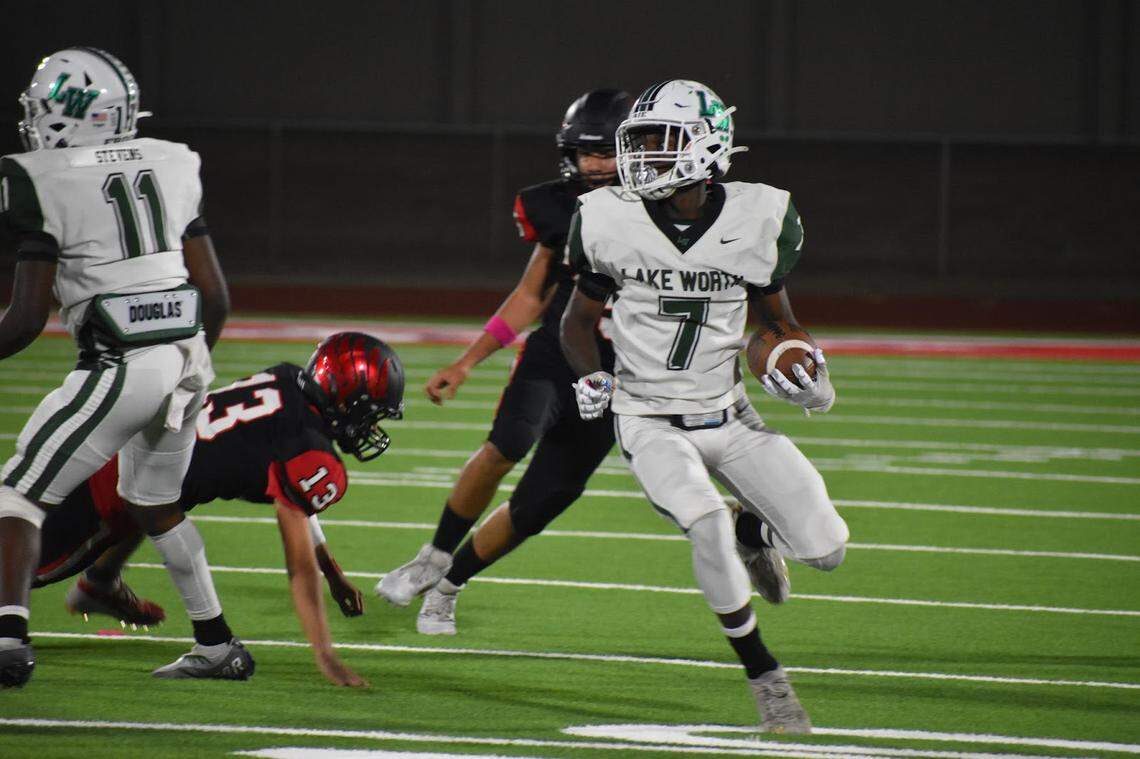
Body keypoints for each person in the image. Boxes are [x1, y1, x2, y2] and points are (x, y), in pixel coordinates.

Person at [559, 79, 849, 734]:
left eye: (662, 142)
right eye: (639, 143)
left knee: (828, 548)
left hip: (730, 414)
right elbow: (577, 323)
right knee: (705, 522)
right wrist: (592, 379)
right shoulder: (608, 218)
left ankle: (757, 532)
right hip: (649, 416)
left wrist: (804, 369)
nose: (643, 158)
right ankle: (765, 674)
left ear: (709, 143)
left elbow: (778, 323)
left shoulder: (762, 217)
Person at [0, 48, 234, 687]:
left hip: (120, 360)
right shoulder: (174, 161)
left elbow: (23, 321)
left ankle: (8, 639)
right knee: (153, 503)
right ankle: (218, 644)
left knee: (16, 493)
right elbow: (216, 296)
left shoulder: (39, 177)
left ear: (64, 114)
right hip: (188, 357)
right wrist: (192, 376)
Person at [375, 89, 631, 635]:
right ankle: (435, 554)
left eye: (610, 151)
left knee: (547, 498)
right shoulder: (558, 206)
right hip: (558, 355)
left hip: (620, 377)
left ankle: (449, 587)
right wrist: (468, 361)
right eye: (588, 153)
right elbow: (530, 294)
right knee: (508, 442)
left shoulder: (667, 208)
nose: (599, 165)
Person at [33, 332, 404, 687]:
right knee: (19, 569)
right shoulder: (308, 448)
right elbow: (299, 565)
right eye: (370, 414)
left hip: (133, 451)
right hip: (113, 486)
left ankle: (100, 584)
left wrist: (334, 574)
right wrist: (326, 656)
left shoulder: (287, 378)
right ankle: (205, 641)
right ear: (343, 399)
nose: (370, 426)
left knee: (162, 504)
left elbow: (296, 497)